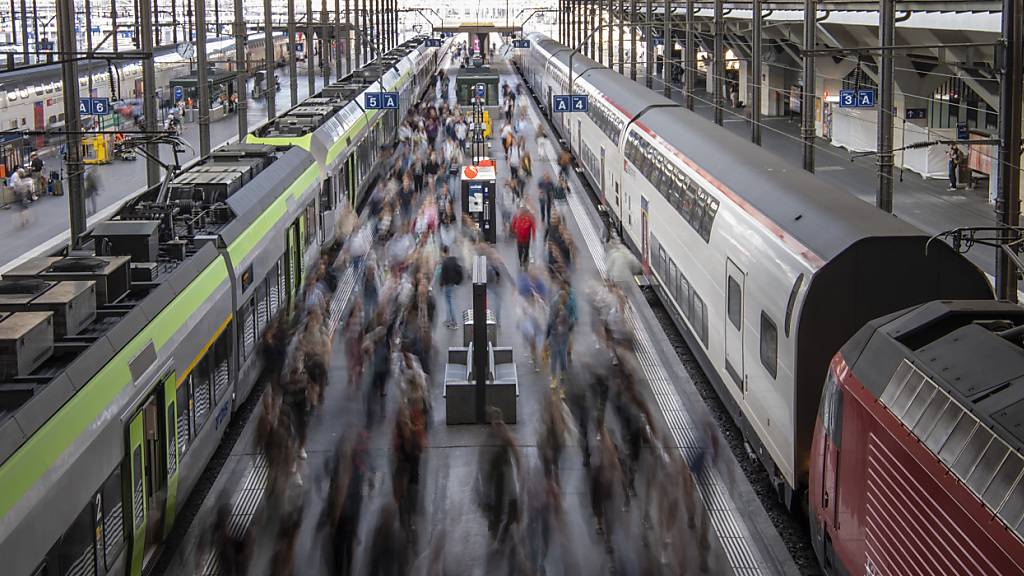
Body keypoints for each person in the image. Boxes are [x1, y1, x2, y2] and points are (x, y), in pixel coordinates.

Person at [438, 245, 464, 329]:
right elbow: (459, 270)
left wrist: (441, 284)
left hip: (447, 284)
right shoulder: (453, 260)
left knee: (449, 302)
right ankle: (449, 319)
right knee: (449, 301)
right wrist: (458, 281)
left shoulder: (445, 262)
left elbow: (443, 275)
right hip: (452, 283)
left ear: (443, 252)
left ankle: (453, 321)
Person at [511, 204, 536, 268]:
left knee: (526, 250)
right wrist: (513, 231)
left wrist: (533, 236)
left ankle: (524, 260)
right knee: (520, 250)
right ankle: (520, 261)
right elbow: (513, 223)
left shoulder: (529, 217)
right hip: (519, 237)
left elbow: (533, 227)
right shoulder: (517, 216)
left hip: (527, 238)